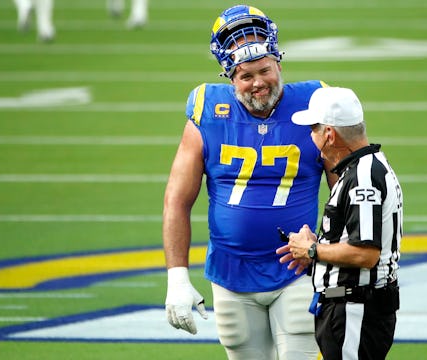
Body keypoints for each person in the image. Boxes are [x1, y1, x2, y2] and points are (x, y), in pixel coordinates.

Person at [163, 5, 334, 360]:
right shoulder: (206, 110)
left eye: (264, 70)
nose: (258, 83)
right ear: (229, 77)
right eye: (246, 75)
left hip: (298, 267)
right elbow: (177, 200)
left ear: (279, 64)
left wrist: (330, 252)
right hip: (230, 271)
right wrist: (176, 278)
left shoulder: (316, 104)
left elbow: (343, 189)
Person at [277, 87, 403, 360]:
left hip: (354, 310)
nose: (310, 136)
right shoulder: (362, 169)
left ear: (329, 135)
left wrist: (313, 250)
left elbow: (365, 253)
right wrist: (319, 246)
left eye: (313, 129)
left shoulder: (364, 177)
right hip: (352, 307)